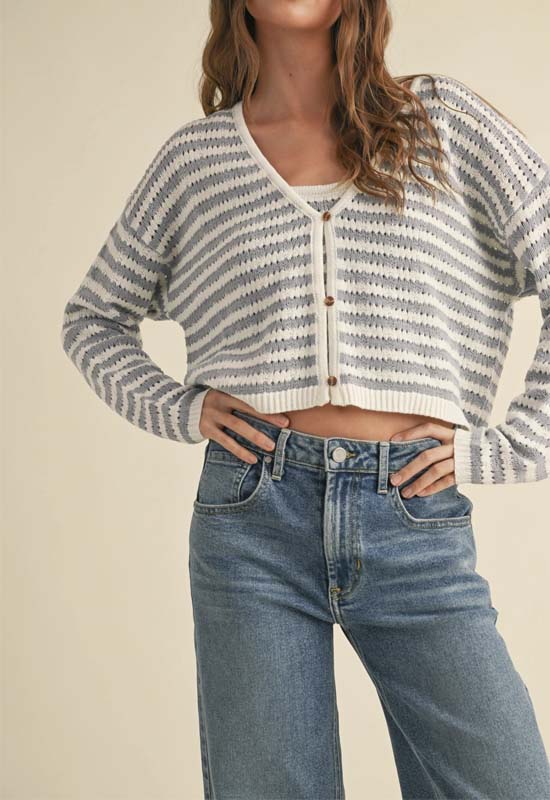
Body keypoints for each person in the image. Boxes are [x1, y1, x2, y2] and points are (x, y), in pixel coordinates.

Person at [60, 1, 550, 797]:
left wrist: (516, 443)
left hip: (412, 511)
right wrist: (182, 408)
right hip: (252, 519)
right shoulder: (196, 162)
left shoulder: (444, 124)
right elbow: (93, 319)